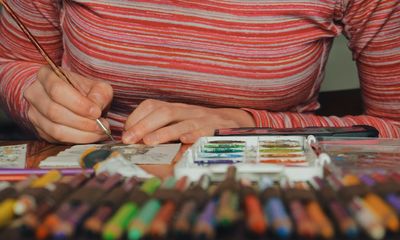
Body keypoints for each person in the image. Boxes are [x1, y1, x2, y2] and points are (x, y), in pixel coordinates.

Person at [0, 0, 399, 145]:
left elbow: (393, 130)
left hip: (277, 188)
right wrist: (35, 96)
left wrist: (249, 126)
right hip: (86, 194)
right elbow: (14, 64)